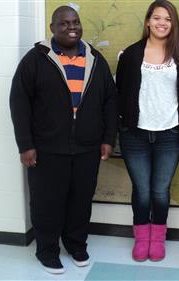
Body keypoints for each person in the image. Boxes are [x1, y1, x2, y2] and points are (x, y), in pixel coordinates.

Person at [9, 6, 117, 274]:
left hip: (87, 147)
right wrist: (26, 144)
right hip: (47, 148)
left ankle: (77, 245)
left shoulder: (95, 59)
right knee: (47, 201)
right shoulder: (35, 59)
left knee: (80, 200)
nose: (72, 27)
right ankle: (47, 251)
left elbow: (110, 102)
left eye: (76, 21)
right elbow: (19, 102)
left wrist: (107, 138)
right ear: (52, 28)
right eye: (64, 23)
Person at [116, 0, 179, 262]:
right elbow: (120, 93)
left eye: (168, 19)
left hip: (169, 134)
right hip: (135, 134)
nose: (162, 23)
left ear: (174, 24)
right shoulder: (130, 55)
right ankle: (142, 238)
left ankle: (157, 238)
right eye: (157, 17)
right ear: (148, 21)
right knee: (142, 190)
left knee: (160, 191)